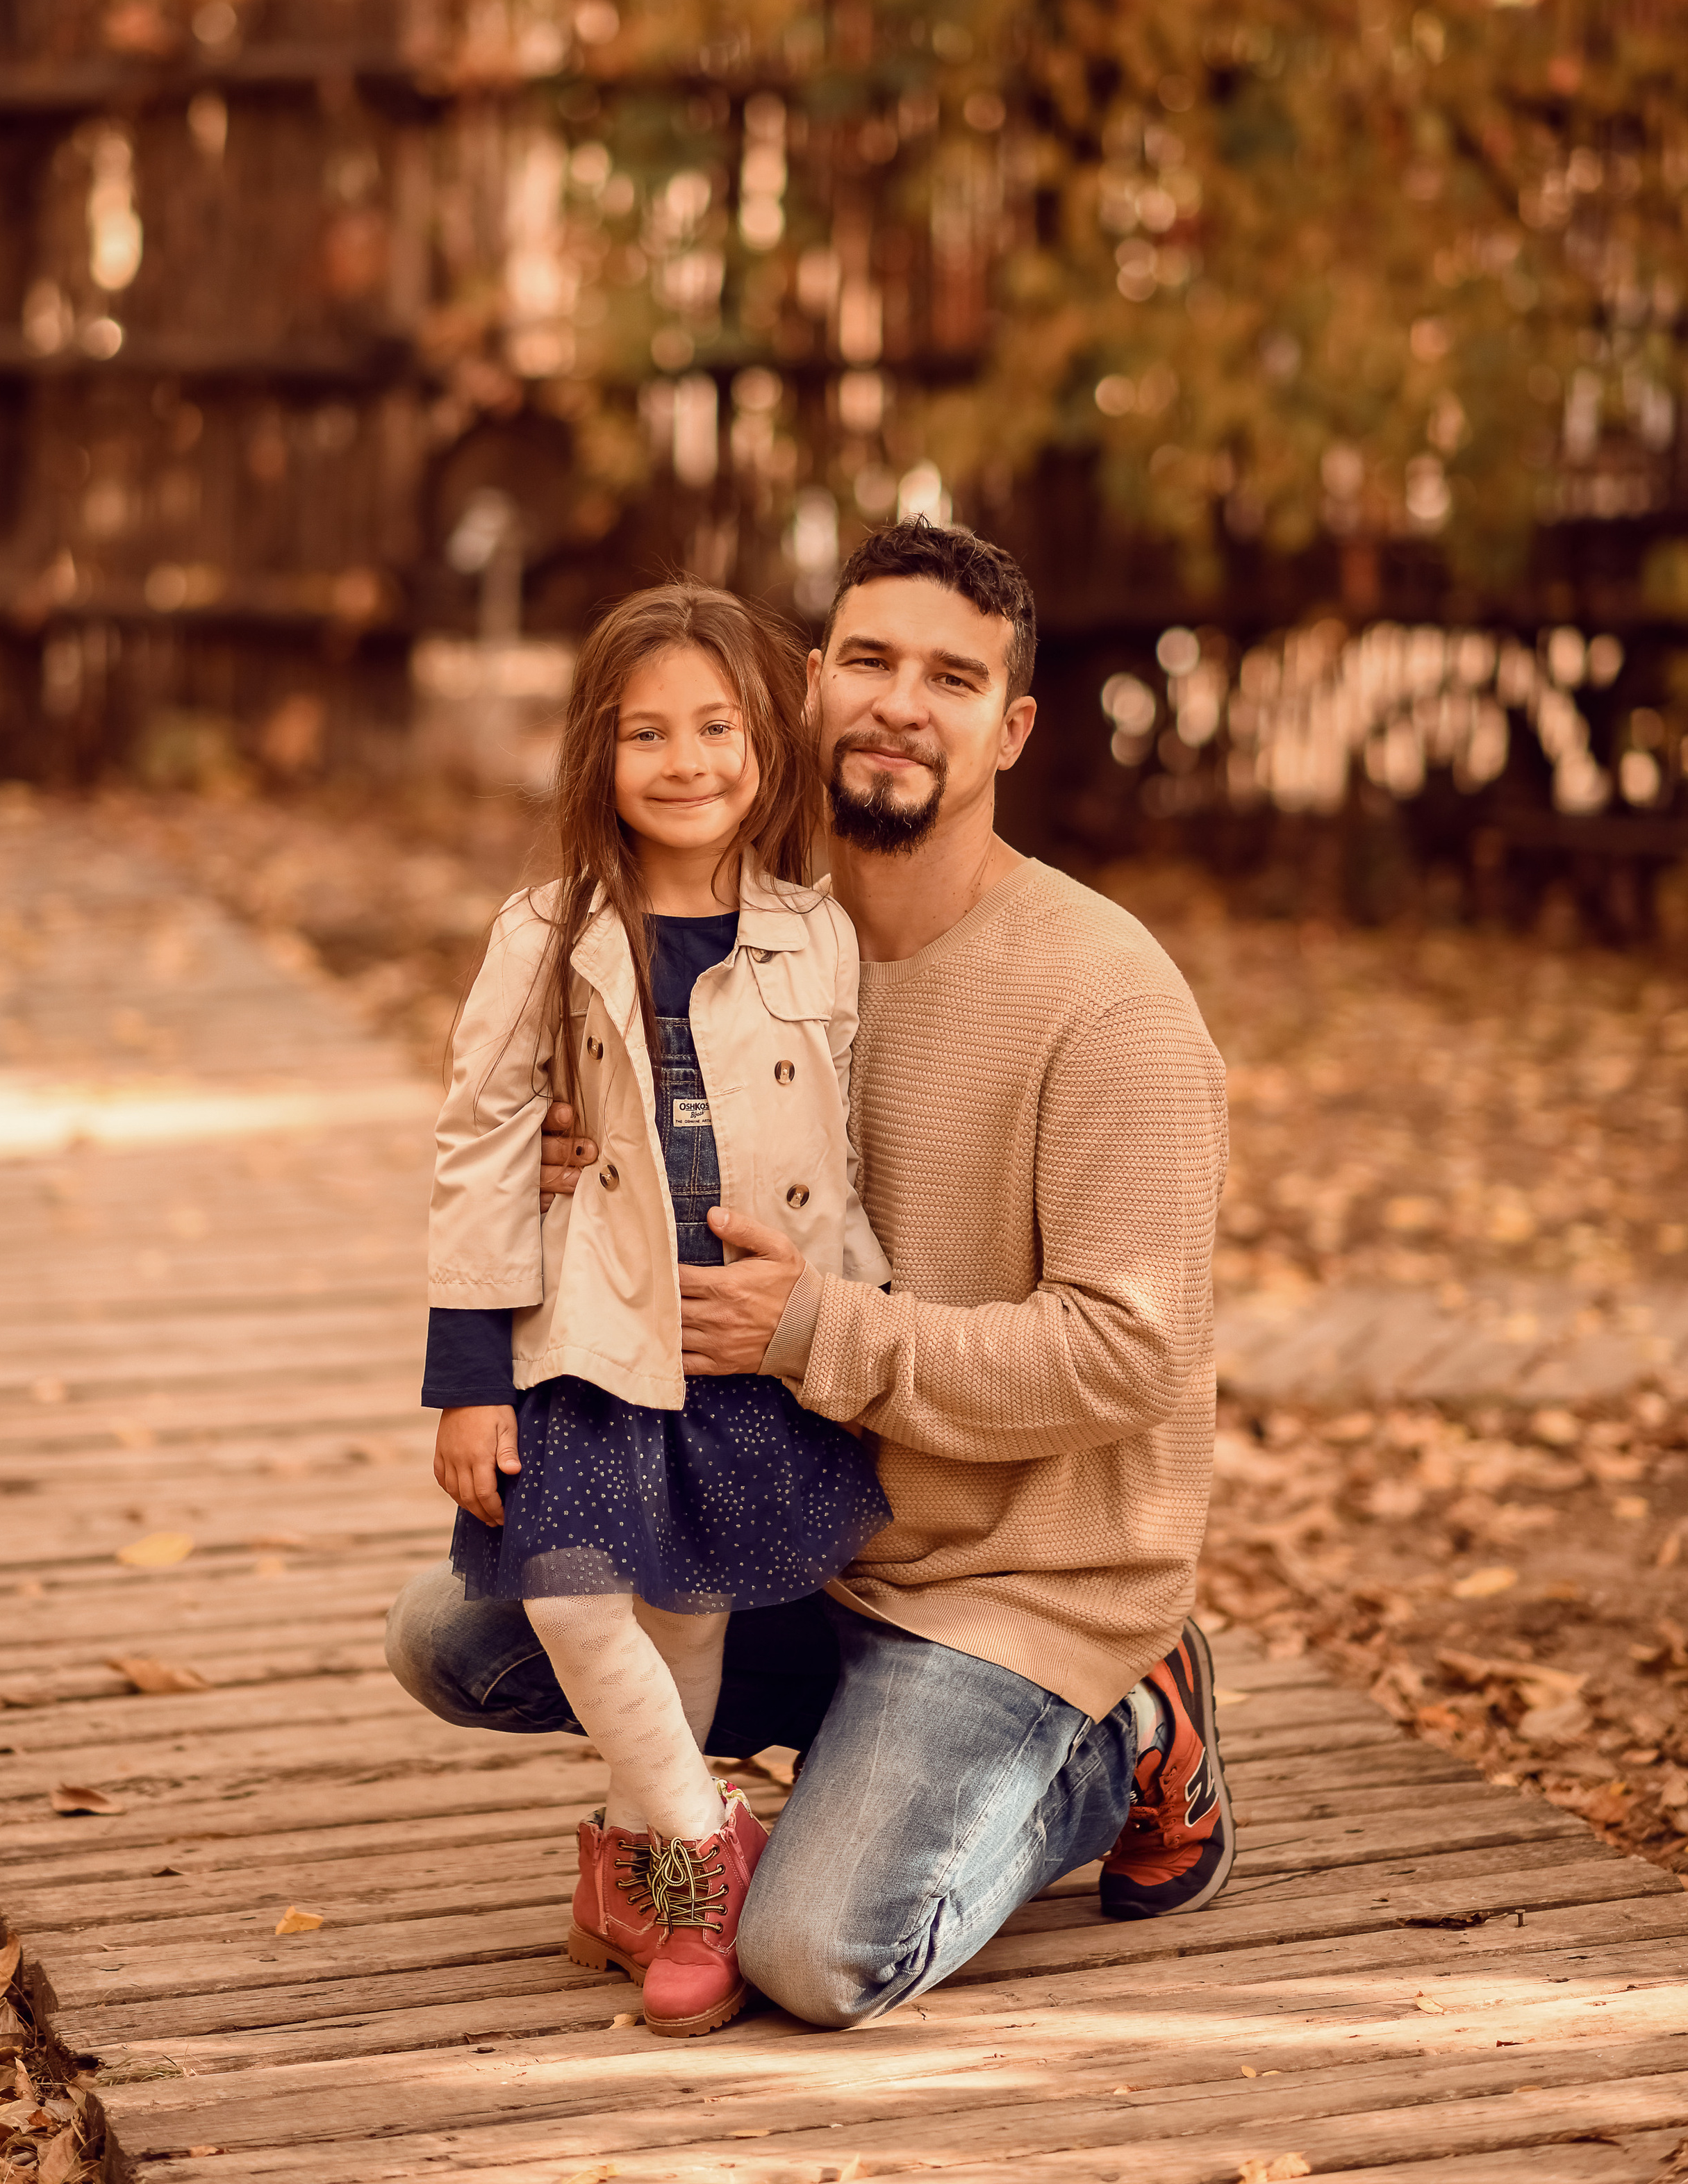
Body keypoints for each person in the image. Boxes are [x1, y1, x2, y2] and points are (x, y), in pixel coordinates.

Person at [388, 518, 1231, 2031]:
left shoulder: (1106, 1000)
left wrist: (814, 1330)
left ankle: (1125, 1737)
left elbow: (1128, 1359)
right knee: (460, 1637)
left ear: (1011, 727)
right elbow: (528, 1111)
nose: (902, 703)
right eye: (869, 661)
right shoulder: (751, 927)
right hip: (790, 1507)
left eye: (953, 679)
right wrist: (579, 1168)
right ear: (805, 685)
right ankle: (811, 1765)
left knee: (812, 1955)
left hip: (1004, 1578)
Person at [422, 581, 891, 2037]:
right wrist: (467, 1374)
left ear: (765, 743)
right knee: (569, 1590)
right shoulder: (548, 934)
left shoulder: (817, 936)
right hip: (587, 1331)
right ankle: (701, 1849)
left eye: (716, 728)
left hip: (744, 1338)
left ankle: (625, 1875)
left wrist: (854, 1320)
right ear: (597, 756)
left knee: (688, 1611)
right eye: (647, 735)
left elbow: (856, 1136)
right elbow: (481, 1136)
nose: (685, 763)